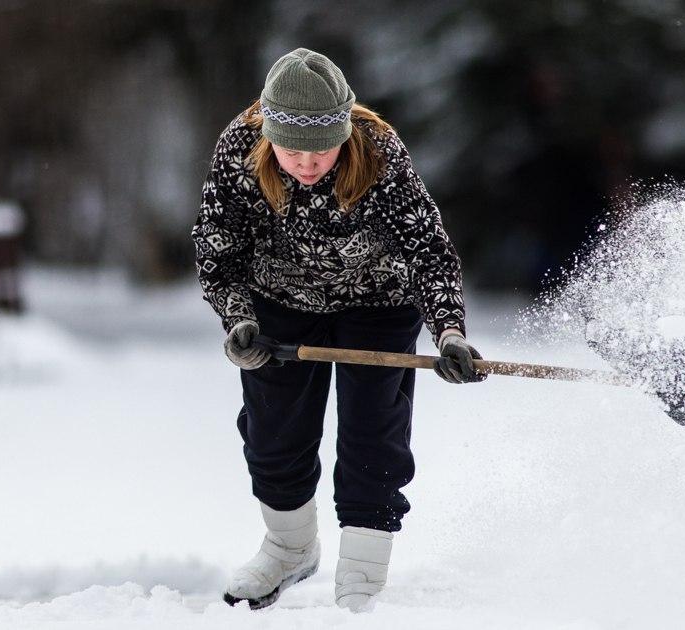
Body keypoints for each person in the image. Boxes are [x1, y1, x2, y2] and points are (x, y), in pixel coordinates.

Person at [191, 48, 486, 612]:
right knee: (273, 435)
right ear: (268, 135)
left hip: (376, 302)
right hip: (278, 304)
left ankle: (362, 574)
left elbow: (428, 249)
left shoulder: (379, 152)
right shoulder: (237, 149)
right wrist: (240, 321)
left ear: (344, 134)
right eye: (292, 149)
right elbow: (216, 250)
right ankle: (289, 548)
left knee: (373, 431)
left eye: (322, 148)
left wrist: (448, 332)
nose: (306, 162)